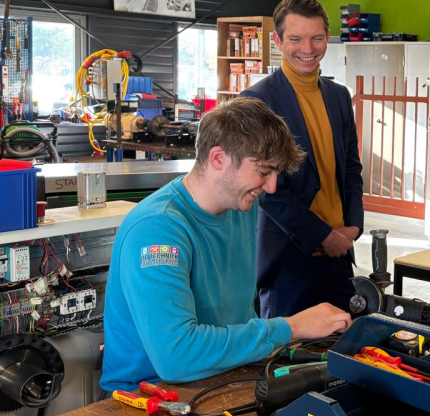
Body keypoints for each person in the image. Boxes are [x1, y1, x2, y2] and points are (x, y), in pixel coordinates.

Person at [101, 98, 353, 392]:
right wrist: (292, 327)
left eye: (276, 174)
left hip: (225, 374)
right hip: (147, 393)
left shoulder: (240, 207)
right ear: (218, 158)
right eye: (263, 172)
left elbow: (239, 316)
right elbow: (176, 357)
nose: (271, 187)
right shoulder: (157, 230)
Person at [241, 0, 364, 318]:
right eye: (295, 39)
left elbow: (351, 169)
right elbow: (265, 189)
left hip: (339, 252)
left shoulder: (339, 96)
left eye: (317, 38)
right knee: (287, 348)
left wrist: (352, 226)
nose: (307, 49)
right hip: (288, 257)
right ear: (278, 41)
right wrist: (321, 235)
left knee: (343, 341)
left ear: (327, 37)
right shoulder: (257, 101)